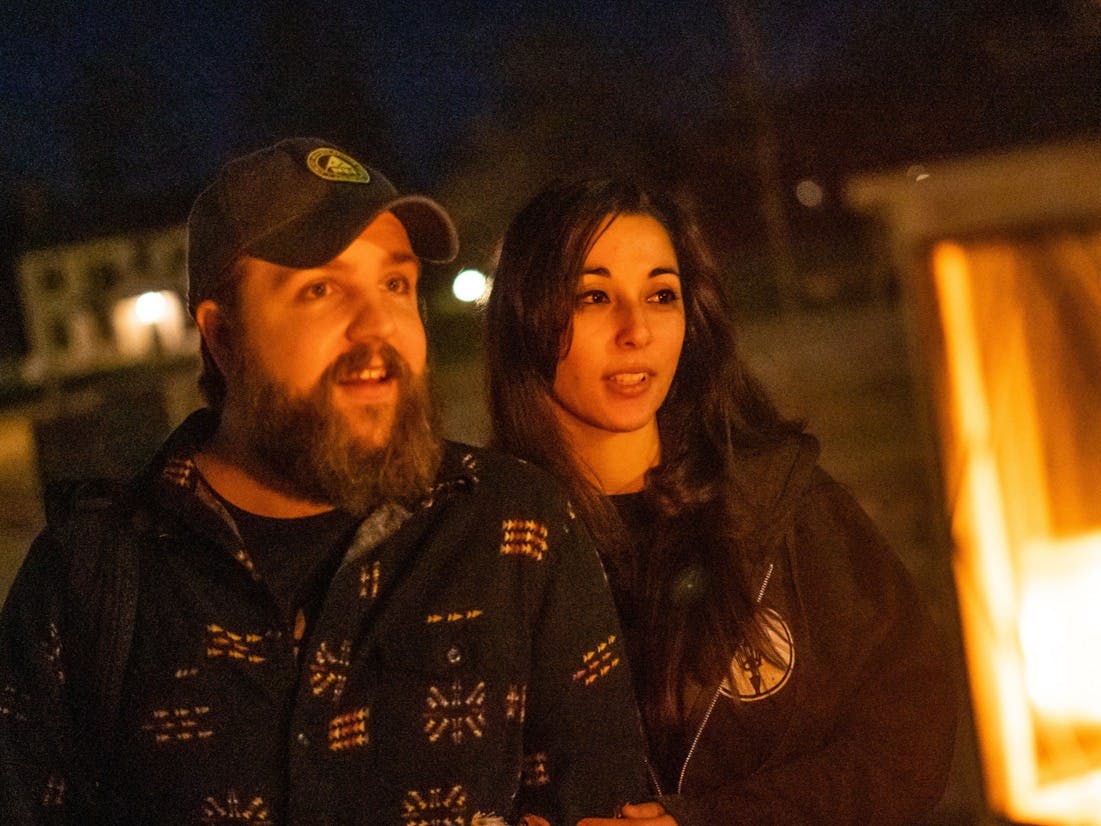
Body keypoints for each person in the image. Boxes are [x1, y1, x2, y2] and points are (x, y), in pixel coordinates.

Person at [0, 139, 649, 825]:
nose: (379, 327)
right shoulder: (90, 575)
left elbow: (604, 803)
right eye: (321, 289)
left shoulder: (515, 528)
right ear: (223, 338)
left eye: (395, 284)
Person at [485, 177, 958, 825]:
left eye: (660, 295)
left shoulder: (778, 505)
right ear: (524, 315)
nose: (636, 330)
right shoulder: (479, 545)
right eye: (593, 296)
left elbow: (910, 732)